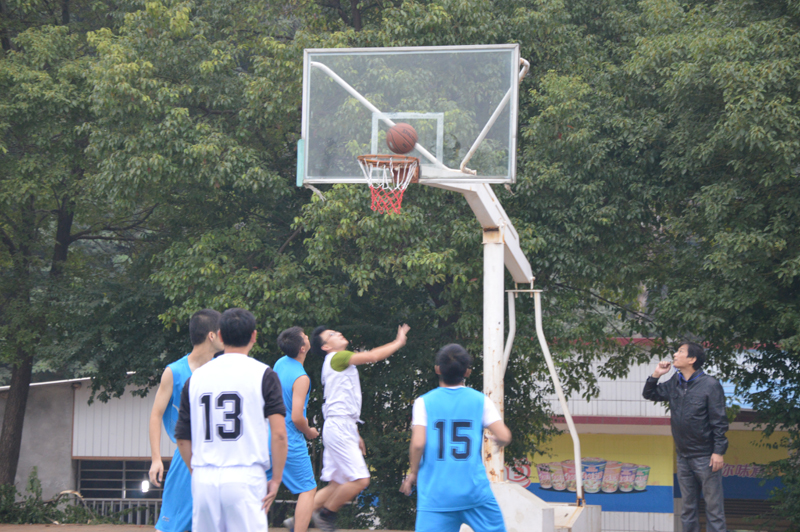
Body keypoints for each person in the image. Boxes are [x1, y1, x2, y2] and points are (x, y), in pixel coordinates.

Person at [174, 308, 288, 532]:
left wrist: (197, 472)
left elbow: (182, 437)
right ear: (254, 336)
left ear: (221, 335)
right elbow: (279, 434)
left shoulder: (195, 378)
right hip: (245, 475)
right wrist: (276, 479)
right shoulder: (264, 374)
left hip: (204, 475)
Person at [309, 323, 411, 532]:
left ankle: (297, 520)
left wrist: (355, 432)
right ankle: (326, 515)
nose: (338, 333)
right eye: (332, 334)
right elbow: (373, 356)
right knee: (361, 479)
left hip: (340, 425)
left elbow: (342, 400)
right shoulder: (338, 357)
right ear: (326, 347)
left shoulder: (334, 362)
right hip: (338, 426)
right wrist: (398, 342)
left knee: (337, 484)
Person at [399, 343, 511, 532]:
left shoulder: (423, 402)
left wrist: (414, 473)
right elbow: (504, 435)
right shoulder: (481, 400)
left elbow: (418, 444)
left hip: (436, 495)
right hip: (474, 493)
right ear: (467, 372)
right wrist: (500, 441)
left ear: (438, 369)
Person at [149, 309, 223, 532]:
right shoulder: (174, 372)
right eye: (222, 332)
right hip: (186, 457)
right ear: (212, 335)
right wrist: (156, 459)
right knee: (174, 525)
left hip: (219, 458)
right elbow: (156, 414)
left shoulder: (223, 372)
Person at [643, 342, 728, 532]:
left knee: (714, 509)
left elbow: (719, 421)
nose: (675, 354)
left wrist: (718, 451)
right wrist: (656, 374)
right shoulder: (675, 382)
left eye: (680, 351)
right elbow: (649, 394)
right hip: (683, 456)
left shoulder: (710, 385)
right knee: (688, 508)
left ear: (692, 359)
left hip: (706, 456)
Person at [273, 327, 320, 532]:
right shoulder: (302, 378)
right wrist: (309, 431)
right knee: (308, 489)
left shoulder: (280, 363)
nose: (308, 337)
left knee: (265, 488)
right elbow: (296, 417)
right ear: (302, 348)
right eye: (305, 337)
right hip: (289, 439)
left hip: (268, 434)